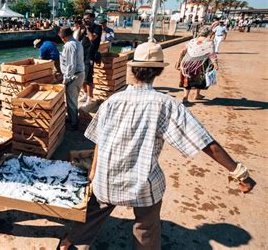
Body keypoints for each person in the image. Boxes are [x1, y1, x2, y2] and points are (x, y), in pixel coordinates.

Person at [59, 41, 255, 250]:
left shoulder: (112, 101)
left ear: (133, 70)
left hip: (106, 178)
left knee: (94, 213)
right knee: (146, 227)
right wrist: (239, 173)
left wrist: (93, 175)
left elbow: (99, 140)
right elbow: (205, 142)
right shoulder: (165, 104)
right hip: (142, 183)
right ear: (158, 73)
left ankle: (66, 244)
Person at [177, 27, 218, 103]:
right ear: (208, 34)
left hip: (187, 62)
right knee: (200, 79)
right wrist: (215, 63)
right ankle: (197, 94)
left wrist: (179, 62)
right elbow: (212, 54)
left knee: (187, 80)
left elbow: (182, 51)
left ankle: (185, 97)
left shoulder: (192, 41)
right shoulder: (209, 42)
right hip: (200, 63)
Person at [58, 27, 85, 130]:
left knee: (72, 100)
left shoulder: (69, 45)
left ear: (64, 37)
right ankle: (71, 117)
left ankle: (74, 123)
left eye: (61, 37)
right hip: (80, 73)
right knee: (73, 98)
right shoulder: (77, 43)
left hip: (74, 75)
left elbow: (70, 64)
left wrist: (66, 78)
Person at [80, 12, 102, 105]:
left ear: (93, 19)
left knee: (88, 78)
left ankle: (90, 98)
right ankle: (85, 94)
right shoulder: (84, 28)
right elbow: (77, 38)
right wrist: (80, 27)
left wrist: (87, 28)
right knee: (81, 77)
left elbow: (92, 38)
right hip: (82, 54)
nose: (86, 20)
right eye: (84, 18)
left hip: (90, 55)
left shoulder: (97, 28)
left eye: (88, 18)